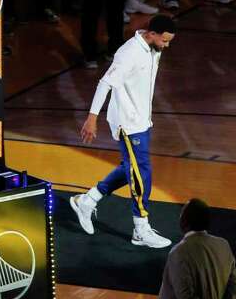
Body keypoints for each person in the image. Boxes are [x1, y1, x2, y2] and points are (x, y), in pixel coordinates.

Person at [74, 14, 178, 248]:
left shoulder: (153, 48)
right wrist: (92, 118)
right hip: (127, 123)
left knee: (129, 168)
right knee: (142, 172)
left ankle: (87, 201)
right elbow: (105, 83)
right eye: (164, 40)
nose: (167, 45)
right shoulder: (129, 53)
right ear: (151, 34)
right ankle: (140, 229)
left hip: (142, 120)